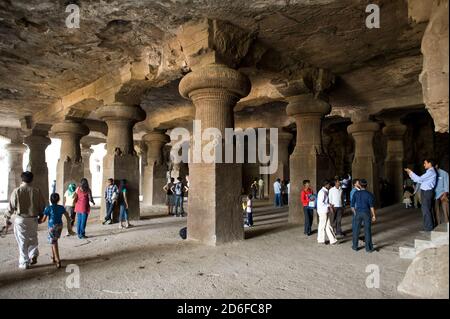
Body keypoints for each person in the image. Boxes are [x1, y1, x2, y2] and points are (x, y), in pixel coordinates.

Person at [5, 171, 47, 269]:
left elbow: (11, 206)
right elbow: (42, 206)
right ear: (32, 179)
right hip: (33, 219)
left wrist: (7, 218)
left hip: (21, 219)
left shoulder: (17, 191)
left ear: (22, 179)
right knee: (33, 237)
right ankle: (33, 254)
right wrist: (41, 216)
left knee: (22, 241)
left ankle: (24, 262)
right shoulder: (37, 191)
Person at [40, 193, 73, 268]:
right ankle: (54, 257)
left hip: (52, 227)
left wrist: (38, 220)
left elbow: (43, 220)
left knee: (53, 242)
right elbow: (67, 216)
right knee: (53, 241)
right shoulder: (61, 207)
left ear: (50, 200)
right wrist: (69, 226)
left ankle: (58, 260)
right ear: (58, 200)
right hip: (60, 226)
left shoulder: (48, 208)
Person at [405, 159, 437, 232]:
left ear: (430, 163)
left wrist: (411, 172)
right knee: (425, 210)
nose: (424, 165)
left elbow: (419, 179)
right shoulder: (429, 172)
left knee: (426, 210)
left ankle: (429, 228)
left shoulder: (431, 172)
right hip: (425, 192)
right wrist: (410, 174)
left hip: (427, 192)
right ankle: (427, 227)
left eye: (425, 163)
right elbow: (418, 180)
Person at [351, 179, 376, 252]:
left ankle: (355, 246)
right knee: (367, 230)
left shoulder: (356, 193)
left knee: (356, 230)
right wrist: (374, 215)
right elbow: (371, 206)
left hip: (358, 213)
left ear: (360, 185)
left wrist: (355, 213)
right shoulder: (369, 194)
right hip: (366, 213)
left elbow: (352, 206)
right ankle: (368, 248)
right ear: (366, 185)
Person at [316, 179, 338, 245]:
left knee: (328, 225)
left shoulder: (325, 191)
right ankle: (321, 240)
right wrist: (329, 205)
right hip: (322, 211)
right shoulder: (322, 192)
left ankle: (332, 240)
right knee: (322, 226)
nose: (329, 185)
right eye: (329, 184)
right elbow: (320, 203)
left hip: (325, 210)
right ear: (326, 185)